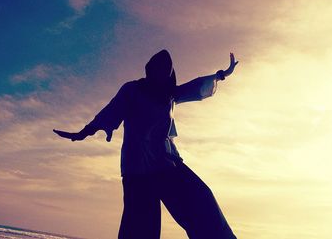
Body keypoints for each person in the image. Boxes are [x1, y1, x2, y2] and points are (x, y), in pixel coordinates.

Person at [54, 49, 239, 239]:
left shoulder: (169, 95)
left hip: (166, 165)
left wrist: (222, 74)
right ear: (149, 70)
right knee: (141, 228)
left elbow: (197, 86)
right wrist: (84, 132)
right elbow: (110, 112)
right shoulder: (132, 90)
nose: (161, 74)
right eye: (157, 69)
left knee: (202, 202)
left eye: (165, 71)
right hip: (138, 171)